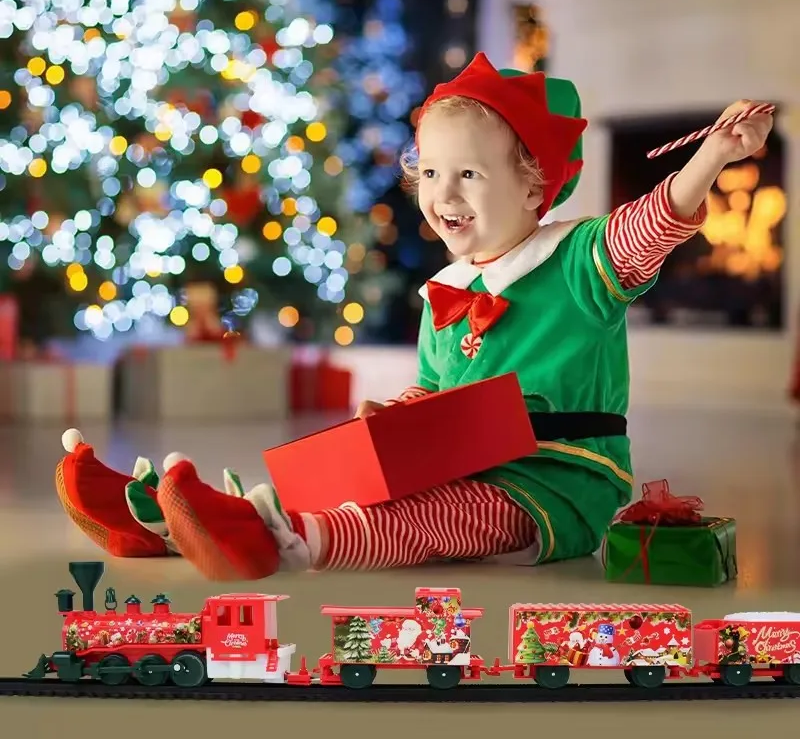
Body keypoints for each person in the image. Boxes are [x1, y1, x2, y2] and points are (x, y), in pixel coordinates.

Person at [55, 53, 773, 581]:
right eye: (429, 172)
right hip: (460, 458)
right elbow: (433, 389)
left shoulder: (580, 261)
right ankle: (170, 520)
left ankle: (288, 540)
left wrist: (713, 154)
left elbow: (653, 223)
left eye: (468, 174)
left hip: (553, 484)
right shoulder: (445, 292)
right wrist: (395, 421)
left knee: (435, 519)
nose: (442, 194)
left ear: (533, 188)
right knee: (340, 468)